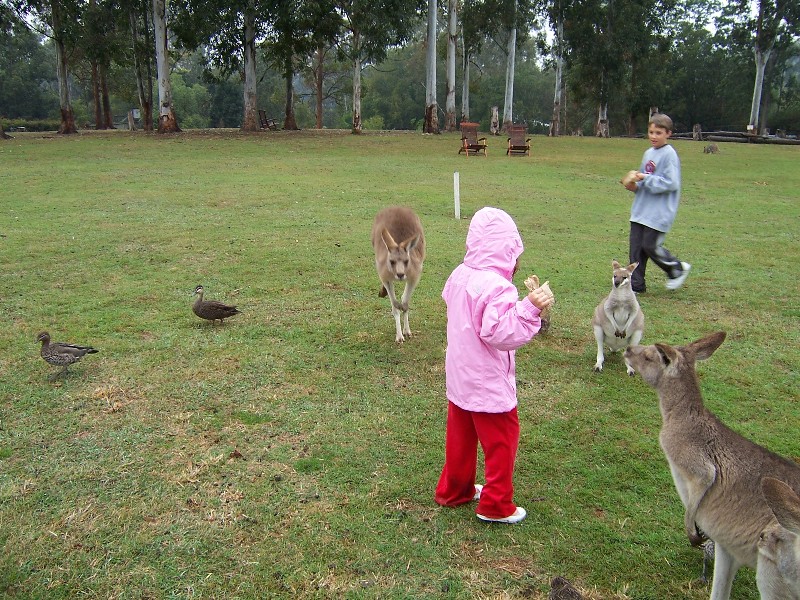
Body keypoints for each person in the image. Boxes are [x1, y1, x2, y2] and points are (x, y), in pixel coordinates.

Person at [434, 207, 554, 524]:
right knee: (502, 439)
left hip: (460, 375)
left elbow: (460, 307)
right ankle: (496, 504)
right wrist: (530, 308)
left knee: (460, 434)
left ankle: (455, 489)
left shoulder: (459, 274)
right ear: (507, 250)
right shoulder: (498, 287)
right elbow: (500, 332)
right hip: (487, 381)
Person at [623, 113, 691, 293]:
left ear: (668, 133)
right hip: (641, 210)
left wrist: (644, 177)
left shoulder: (669, 155)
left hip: (659, 212)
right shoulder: (648, 153)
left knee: (650, 246)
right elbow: (646, 184)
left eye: (658, 133)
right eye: (651, 132)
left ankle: (676, 268)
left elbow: (671, 183)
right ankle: (636, 285)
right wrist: (633, 186)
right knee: (636, 249)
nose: (653, 136)